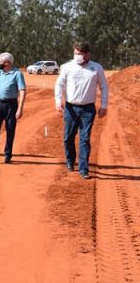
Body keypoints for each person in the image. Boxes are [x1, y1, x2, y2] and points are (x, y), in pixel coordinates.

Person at [55, 41, 108, 179]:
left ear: (87, 54)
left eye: (80, 53)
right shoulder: (67, 67)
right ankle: (70, 160)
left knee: (84, 139)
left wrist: (103, 106)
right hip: (70, 108)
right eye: (75, 53)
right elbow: (59, 84)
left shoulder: (96, 68)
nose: (77, 56)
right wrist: (58, 102)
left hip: (88, 109)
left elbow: (104, 87)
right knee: (68, 137)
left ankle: (83, 169)